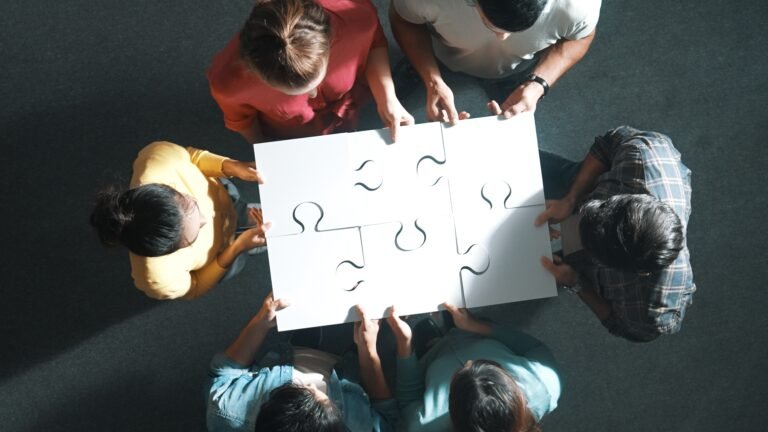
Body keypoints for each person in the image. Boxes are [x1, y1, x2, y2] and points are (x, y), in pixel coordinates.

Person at [534, 126, 696, 342]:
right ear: (628, 197)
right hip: (586, 189)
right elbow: (606, 145)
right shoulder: (644, 154)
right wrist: (571, 199)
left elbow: (618, 324)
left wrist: (575, 282)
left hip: (584, 270)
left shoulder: (653, 313)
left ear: (639, 273)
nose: (572, 226)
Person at [207, 0, 413, 143]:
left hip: (348, 110)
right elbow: (244, 122)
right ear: (254, 73)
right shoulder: (228, 84)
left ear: (330, 42)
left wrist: (387, 97)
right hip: (293, 132)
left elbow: (374, 43)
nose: (313, 95)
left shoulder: (356, 18)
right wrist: (266, 149)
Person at [90, 141, 269, 300]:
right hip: (225, 253)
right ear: (169, 251)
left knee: (246, 210)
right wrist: (237, 248)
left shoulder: (157, 159)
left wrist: (232, 167)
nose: (206, 219)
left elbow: (191, 157)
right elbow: (196, 285)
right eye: (192, 238)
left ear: (169, 189)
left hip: (227, 197)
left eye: (192, 205)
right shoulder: (157, 278)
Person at [390, 0, 601, 122]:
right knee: (423, 64)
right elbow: (404, 19)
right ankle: (420, 70)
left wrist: (539, 83)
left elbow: (582, 36)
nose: (502, 38)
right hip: (440, 54)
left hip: (519, 69)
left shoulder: (579, 5)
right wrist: (432, 78)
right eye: (493, 27)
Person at [206, 297, 398, 431]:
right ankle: (352, 354)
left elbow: (224, 371)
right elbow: (386, 413)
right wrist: (368, 350)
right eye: (325, 400)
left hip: (287, 357)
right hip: (348, 373)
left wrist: (260, 322)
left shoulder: (227, 410)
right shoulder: (361, 428)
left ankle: (303, 344)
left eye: (299, 386)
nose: (310, 384)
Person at [386, 303, 560, 432]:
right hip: (476, 333)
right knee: (456, 305)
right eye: (486, 363)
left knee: (423, 331)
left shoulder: (422, 427)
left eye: (458, 375)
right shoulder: (545, 383)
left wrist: (405, 345)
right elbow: (533, 347)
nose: (469, 362)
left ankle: (432, 341)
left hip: (432, 357)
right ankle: (458, 324)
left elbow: (409, 398)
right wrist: (472, 324)